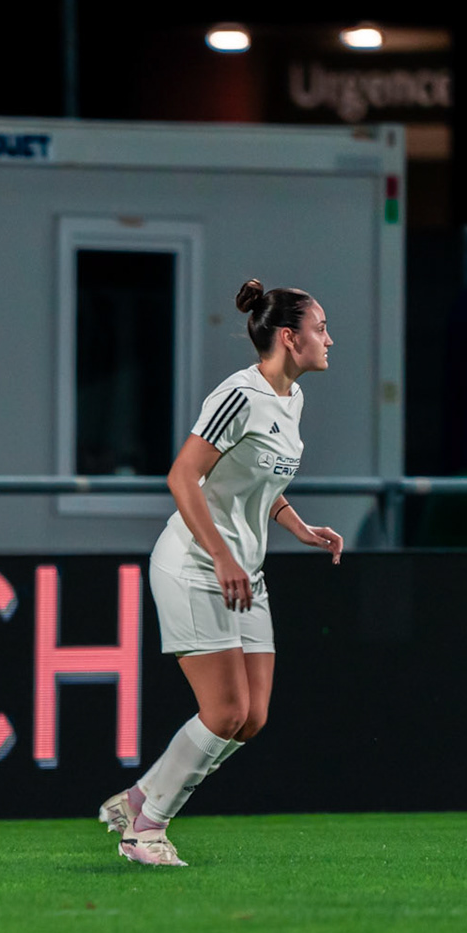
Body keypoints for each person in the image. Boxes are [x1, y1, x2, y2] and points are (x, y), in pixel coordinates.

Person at [98, 278, 344, 866]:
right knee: (225, 711)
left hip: (243, 573)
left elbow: (257, 487)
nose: (329, 339)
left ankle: (138, 797)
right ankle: (146, 829)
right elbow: (183, 478)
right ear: (289, 337)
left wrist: (299, 527)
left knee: (251, 718)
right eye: (321, 328)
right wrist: (224, 556)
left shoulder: (292, 399)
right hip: (196, 566)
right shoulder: (238, 395)